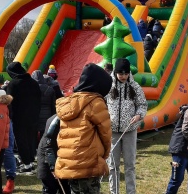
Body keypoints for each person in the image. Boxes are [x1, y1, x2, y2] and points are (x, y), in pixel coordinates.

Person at [55, 63, 112, 194]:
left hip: (69, 163)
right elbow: (106, 134)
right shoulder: (95, 103)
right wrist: (104, 155)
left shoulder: (67, 103)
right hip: (89, 163)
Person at [106, 58, 148, 194]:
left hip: (129, 131)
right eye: (120, 74)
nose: (123, 76)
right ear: (115, 72)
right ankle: (114, 192)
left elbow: (142, 105)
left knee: (130, 165)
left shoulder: (135, 87)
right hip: (112, 131)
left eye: (125, 73)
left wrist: (139, 115)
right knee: (113, 166)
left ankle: (131, 192)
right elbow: (101, 104)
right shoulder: (108, 86)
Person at [6, 62, 41, 174]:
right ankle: (30, 160)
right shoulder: (34, 83)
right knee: (31, 139)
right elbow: (39, 99)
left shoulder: (13, 84)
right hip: (34, 116)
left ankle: (27, 165)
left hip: (19, 117)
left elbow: (8, 101)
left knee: (21, 140)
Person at [37, 114, 70, 194]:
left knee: (65, 188)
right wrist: (53, 166)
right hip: (49, 159)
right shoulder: (55, 120)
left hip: (60, 159)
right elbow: (48, 144)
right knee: (50, 188)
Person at [31, 70, 56, 140]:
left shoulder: (31, 89)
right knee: (44, 135)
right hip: (47, 115)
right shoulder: (50, 89)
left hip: (34, 114)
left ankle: (33, 149)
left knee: (33, 136)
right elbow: (53, 105)